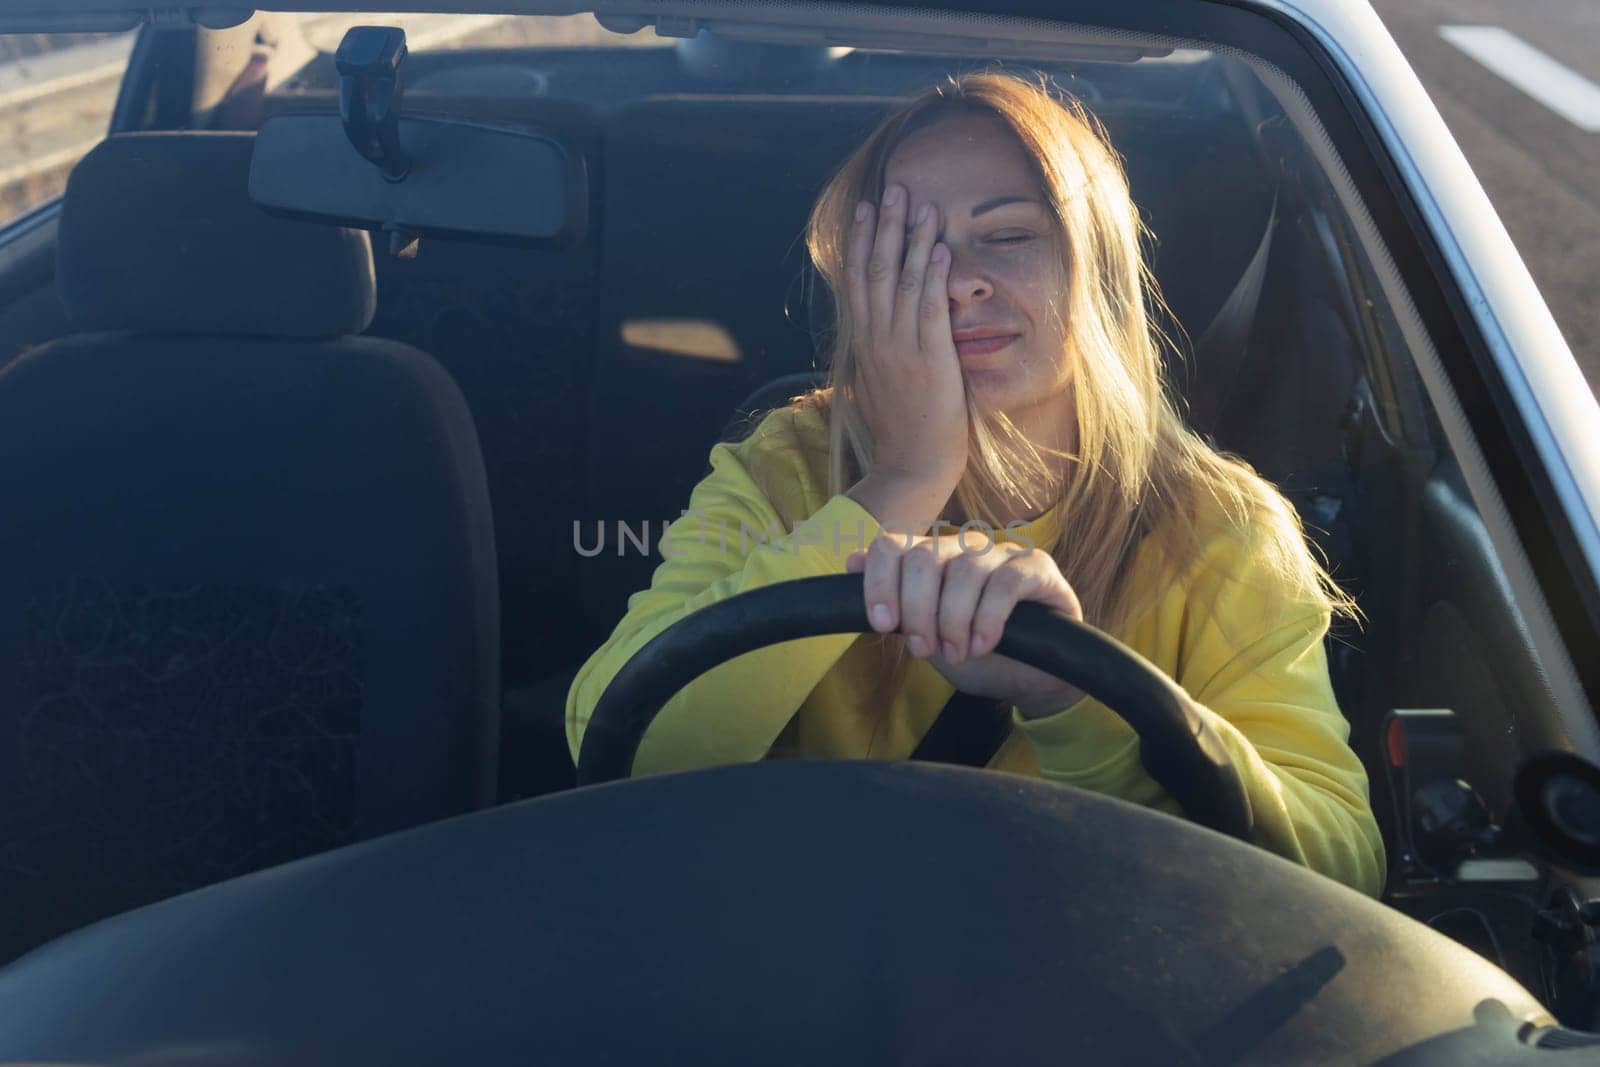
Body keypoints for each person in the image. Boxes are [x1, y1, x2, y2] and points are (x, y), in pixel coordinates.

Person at [567, 72, 1386, 897]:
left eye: (1008, 236)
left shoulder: (1220, 528)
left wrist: (1073, 701)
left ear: (1095, 270)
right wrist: (907, 477)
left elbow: (1339, 864)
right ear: (859, 287)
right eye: (907, 249)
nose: (958, 279)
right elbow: (621, 740)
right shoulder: (786, 466)